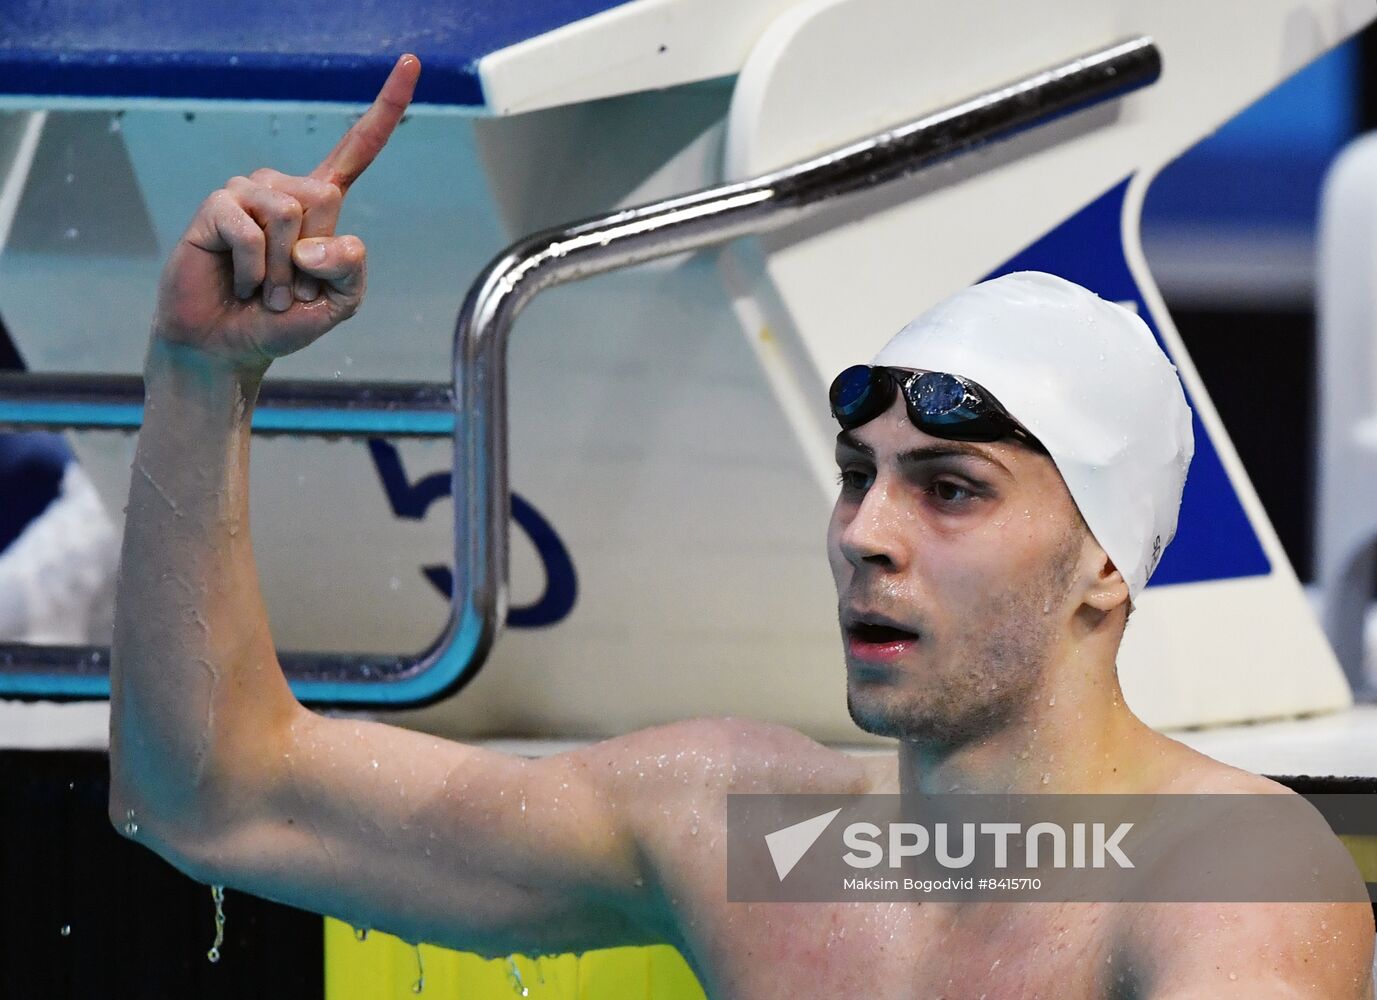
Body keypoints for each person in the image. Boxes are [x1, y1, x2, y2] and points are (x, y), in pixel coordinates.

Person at [108, 54, 1375, 998]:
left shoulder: (1219, 873)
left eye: (949, 488)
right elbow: (214, 794)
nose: (866, 533)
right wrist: (200, 375)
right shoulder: (777, 843)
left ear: (1106, 557)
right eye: (856, 475)